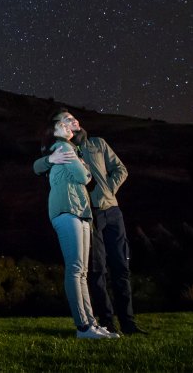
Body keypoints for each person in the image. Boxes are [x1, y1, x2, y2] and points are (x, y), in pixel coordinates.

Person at [33, 109, 146, 335]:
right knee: (95, 270)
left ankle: (128, 323)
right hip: (85, 212)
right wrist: (48, 159)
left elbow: (120, 169)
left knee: (120, 267)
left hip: (110, 210)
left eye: (74, 118)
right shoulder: (63, 147)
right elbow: (38, 166)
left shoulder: (97, 144)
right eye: (67, 120)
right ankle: (104, 322)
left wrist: (107, 191)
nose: (73, 121)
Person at [41, 117, 118, 340]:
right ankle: (83, 326)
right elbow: (83, 176)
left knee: (82, 271)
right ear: (53, 132)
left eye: (68, 124)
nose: (67, 127)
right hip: (68, 211)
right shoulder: (63, 147)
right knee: (76, 269)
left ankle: (90, 324)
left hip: (79, 211)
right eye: (61, 125)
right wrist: (84, 166)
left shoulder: (69, 148)